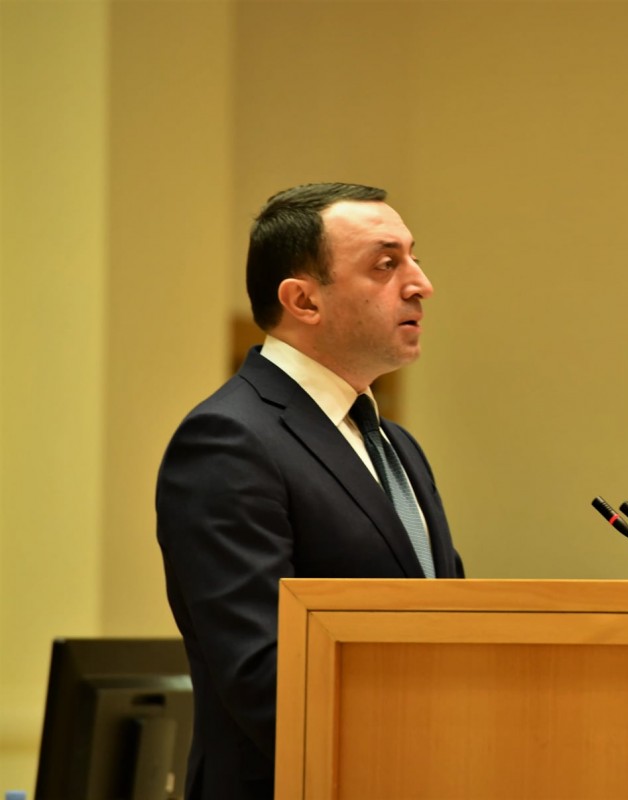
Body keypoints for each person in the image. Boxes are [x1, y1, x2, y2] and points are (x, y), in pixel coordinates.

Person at [156, 182, 464, 800]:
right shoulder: (228, 440)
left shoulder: (396, 444)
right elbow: (263, 675)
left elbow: (449, 630)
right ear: (303, 300)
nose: (420, 284)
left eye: (414, 257)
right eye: (386, 264)